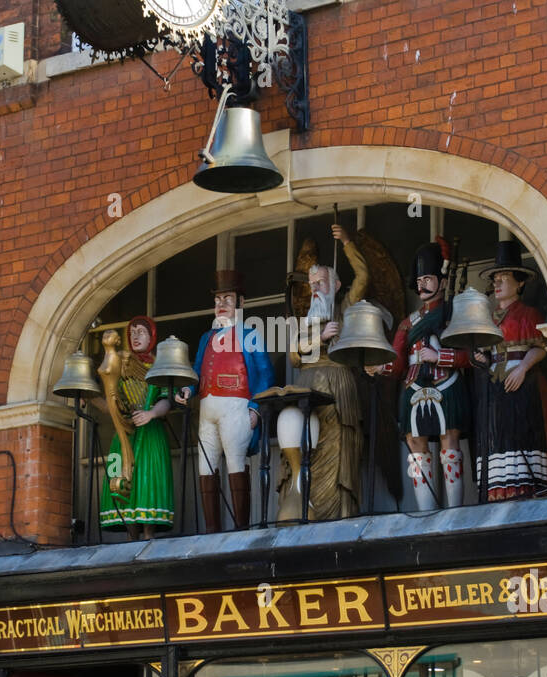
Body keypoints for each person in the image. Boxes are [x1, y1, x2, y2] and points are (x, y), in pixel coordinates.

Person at [369, 239, 469, 510]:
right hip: (413, 386)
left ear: (442, 281)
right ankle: (426, 512)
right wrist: (380, 366)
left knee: (450, 441)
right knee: (415, 444)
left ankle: (455, 511)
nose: (423, 284)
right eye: (420, 279)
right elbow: (397, 360)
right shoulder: (407, 322)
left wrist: (441, 357)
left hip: (446, 382)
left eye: (429, 278)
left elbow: (471, 356)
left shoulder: (454, 314)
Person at [178, 269, 274, 532]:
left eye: (228, 299)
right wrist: (188, 388)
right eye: (218, 300)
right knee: (206, 465)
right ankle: (212, 530)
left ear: (240, 304)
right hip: (208, 407)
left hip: (236, 406)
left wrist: (256, 408)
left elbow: (266, 373)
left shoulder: (250, 335)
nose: (221, 305)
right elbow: (197, 371)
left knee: (235, 463)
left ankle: (240, 528)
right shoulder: (206, 338)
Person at [288, 224, 370, 520]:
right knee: (308, 448)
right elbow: (295, 355)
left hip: (338, 389)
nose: (314, 289)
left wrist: (347, 243)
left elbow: (363, 277)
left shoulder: (345, 307)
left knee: (340, 454)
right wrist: (318, 338)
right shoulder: (305, 319)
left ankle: (341, 514)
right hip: (307, 389)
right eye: (311, 284)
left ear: (334, 286)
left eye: (321, 283)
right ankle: (304, 511)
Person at [474, 240, 547, 501]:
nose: (497, 283)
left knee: (520, 433)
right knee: (496, 435)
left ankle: (523, 487)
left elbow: (541, 347)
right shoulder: (487, 318)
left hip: (521, 385)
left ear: (519, 283)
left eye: (504, 278)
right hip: (495, 386)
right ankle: (497, 490)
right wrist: (481, 359)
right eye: (495, 278)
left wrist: (523, 368)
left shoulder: (529, 315)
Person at [98, 315, 174, 535]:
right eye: (132, 333)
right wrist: (91, 398)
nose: (136, 336)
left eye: (141, 332)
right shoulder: (119, 366)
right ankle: (131, 534)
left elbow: (167, 399)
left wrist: (151, 414)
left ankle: (148, 534)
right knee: (118, 476)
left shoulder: (161, 364)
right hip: (124, 433)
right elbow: (113, 405)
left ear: (152, 336)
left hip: (150, 434)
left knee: (148, 479)